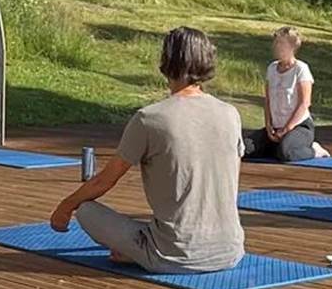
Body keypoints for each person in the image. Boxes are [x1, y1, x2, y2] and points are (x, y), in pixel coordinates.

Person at [49, 26, 245, 273]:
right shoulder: (231, 114)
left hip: (173, 256)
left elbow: (103, 182)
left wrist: (65, 207)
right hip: (230, 252)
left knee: (86, 210)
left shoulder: (150, 118)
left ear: (166, 61)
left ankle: (141, 255)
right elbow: (231, 184)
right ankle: (143, 250)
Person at [242, 26, 322, 162]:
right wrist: (268, 127)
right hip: (275, 127)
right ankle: (276, 147)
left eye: (280, 43)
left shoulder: (301, 69)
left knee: (287, 153)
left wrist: (286, 129)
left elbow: (304, 103)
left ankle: (314, 150)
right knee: (245, 148)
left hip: (298, 126)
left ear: (292, 47)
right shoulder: (272, 68)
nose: (276, 46)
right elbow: (267, 100)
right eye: (275, 43)